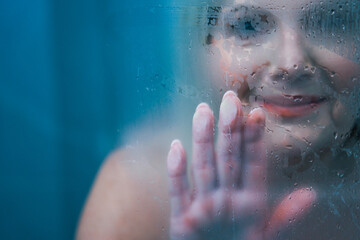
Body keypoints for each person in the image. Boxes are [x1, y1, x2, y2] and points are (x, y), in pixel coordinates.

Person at [76, 0, 360, 239]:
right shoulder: (133, 194)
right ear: (199, 48)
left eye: (331, 24)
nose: (291, 64)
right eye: (248, 26)